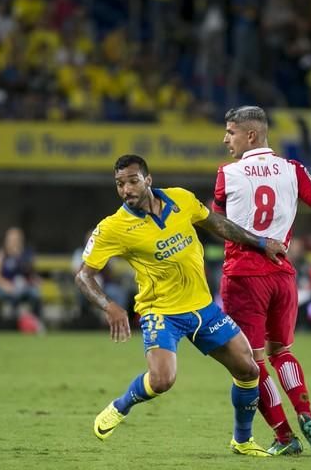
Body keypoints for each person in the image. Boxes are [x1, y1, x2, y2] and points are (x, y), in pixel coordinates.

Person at [75, 154, 287, 457]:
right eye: (119, 184)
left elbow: (216, 223)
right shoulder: (113, 228)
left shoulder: (181, 199)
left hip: (203, 308)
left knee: (248, 369)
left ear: (148, 180)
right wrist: (109, 306)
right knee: (162, 380)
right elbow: (83, 276)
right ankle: (121, 406)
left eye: (132, 181)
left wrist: (261, 243)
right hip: (160, 311)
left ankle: (242, 440)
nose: (126, 189)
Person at [212, 105, 311, 456]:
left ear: (251, 135)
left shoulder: (228, 173)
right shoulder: (292, 169)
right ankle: (306, 415)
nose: (225, 138)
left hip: (245, 276)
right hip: (283, 276)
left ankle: (284, 435)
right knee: (282, 352)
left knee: (251, 361)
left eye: (230, 132)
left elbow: (216, 225)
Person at [0, 226, 43, 331]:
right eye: (11, 239)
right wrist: (5, 285)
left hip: (24, 287)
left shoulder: (27, 254)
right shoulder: (1, 254)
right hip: (6, 287)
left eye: (16, 239)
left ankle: (37, 324)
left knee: (35, 294)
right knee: (2, 296)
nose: (14, 242)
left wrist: (35, 280)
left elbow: (31, 274)